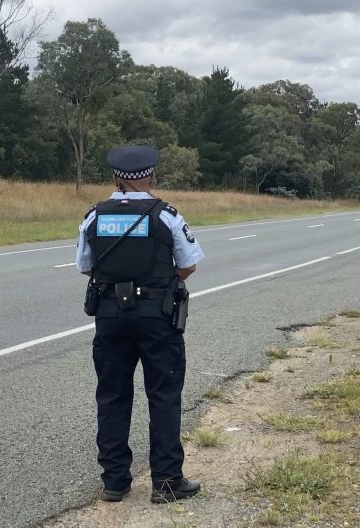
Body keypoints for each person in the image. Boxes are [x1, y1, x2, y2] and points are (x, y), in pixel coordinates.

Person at [75, 145, 204, 504]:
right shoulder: (165, 215)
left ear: (115, 177)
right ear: (151, 176)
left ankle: (115, 482)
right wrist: (159, 281)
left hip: (110, 315)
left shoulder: (93, 217)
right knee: (163, 395)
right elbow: (189, 264)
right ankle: (165, 482)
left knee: (112, 396)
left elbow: (85, 266)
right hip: (156, 315)